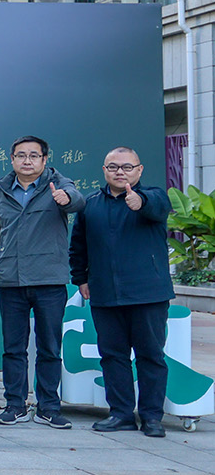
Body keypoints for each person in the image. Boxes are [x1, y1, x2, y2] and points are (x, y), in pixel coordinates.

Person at [70, 147, 175, 438]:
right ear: (104, 170)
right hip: (105, 293)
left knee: (150, 356)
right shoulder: (90, 204)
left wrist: (139, 202)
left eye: (127, 167)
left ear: (139, 170)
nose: (120, 172)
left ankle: (152, 417)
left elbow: (157, 207)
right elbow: (78, 246)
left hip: (148, 294)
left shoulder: (154, 197)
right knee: (112, 356)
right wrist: (80, 278)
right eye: (113, 167)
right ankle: (121, 414)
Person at [0, 135, 84, 428]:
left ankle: (49, 407)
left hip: (49, 280)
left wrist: (65, 199)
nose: (27, 161)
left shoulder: (58, 184)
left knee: (49, 347)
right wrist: (1, 262)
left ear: (44, 160)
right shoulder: (2, 189)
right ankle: (15, 405)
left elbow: (77, 200)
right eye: (21, 155)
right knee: (13, 348)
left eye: (34, 155)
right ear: (12, 159)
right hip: (12, 281)